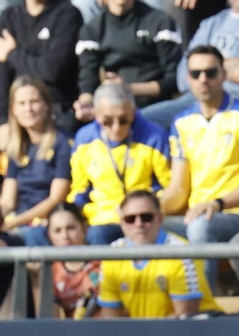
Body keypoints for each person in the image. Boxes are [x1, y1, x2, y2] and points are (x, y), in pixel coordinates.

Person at [162, 44, 239, 291]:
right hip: (196, 214)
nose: (203, 79)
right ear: (188, 78)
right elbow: (178, 189)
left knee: (201, 225)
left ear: (223, 74)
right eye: (195, 73)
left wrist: (217, 204)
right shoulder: (181, 122)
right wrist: (150, 208)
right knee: (140, 225)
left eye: (210, 72)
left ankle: (202, 304)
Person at [143, 0, 239, 127]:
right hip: (193, 101)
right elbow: (182, 77)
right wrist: (228, 65)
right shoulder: (212, 22)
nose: (204, 74)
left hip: (237, 102)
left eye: (211, 70)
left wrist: (198, 67)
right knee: (139, 121)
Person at [68, 80, 170, 244]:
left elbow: (168, 186)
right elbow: (80, 189)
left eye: (123, 120)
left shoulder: (154, 136)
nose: (116, 128)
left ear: (133, 113)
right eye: (108, 121)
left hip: (143, 217)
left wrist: (146, 207)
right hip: (101, 218)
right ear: (96, 114)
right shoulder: (84, 139)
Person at [96, 188, 220, 315]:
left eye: (146, 217)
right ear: (121, 223)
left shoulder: (181, 253)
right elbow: (110, 317)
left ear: (160, 218)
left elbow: (184, 318)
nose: (138, 224)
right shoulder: (112, 255)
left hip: (199, 325)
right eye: (130, 219)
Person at [73, 0, 184, 120]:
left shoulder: (160, 22)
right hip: (115, 109)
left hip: (156, 105)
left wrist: (129, 89)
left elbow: (175, 79)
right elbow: (88, 80)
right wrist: (85, 104)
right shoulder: (92, 29)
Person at [1, 76, 70, 246]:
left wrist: (13, 223)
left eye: (34, 102)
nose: (28, 109)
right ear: (13, 109)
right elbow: (8, 201)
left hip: (46, 223)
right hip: (18, 221)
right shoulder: (16, 148)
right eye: (22, 103)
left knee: (32, 235)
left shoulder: (62, 143)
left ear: (46, 105)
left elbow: (56, 199)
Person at [0, 0, 83, 129]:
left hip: (57, 112)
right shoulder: (9, 16)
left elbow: (53, 70)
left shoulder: (67, 14)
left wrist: (12, 54)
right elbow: (3, 73)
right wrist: (3, 120)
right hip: (19, 114)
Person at [38, 201, 100, 316]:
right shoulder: (49, 270)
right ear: (49, 235)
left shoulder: (102, 264)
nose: (65, 236)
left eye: (71, 228)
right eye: (57, 230)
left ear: (84, 228)